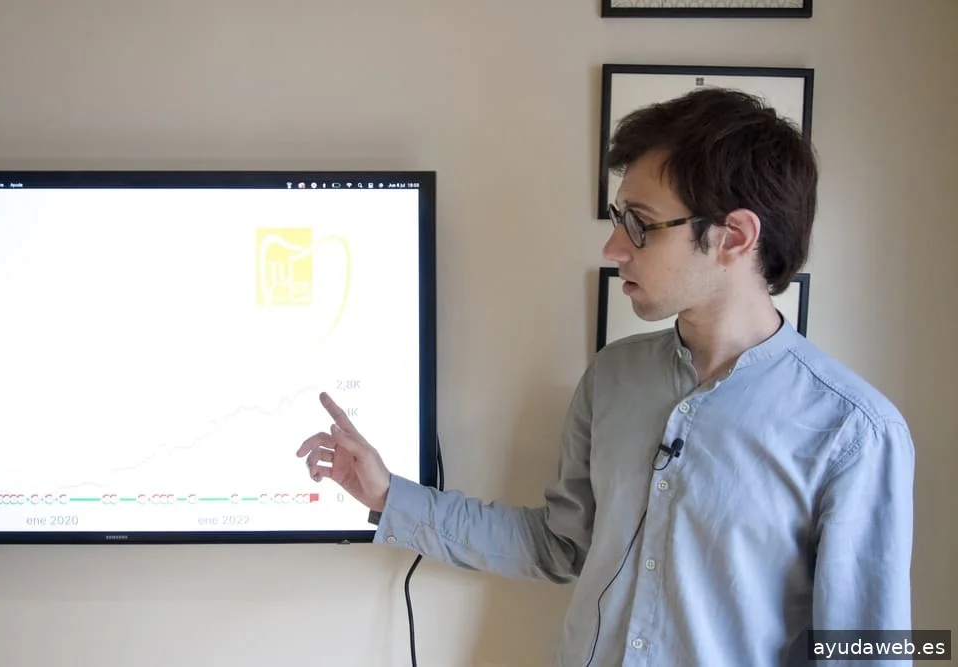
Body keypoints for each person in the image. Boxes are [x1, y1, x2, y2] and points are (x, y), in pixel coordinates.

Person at [296, 87, 915, 667]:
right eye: (620, 219)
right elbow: (559, 547)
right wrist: (388, 495)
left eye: (640, 224)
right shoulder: (614, 376)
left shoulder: (853, 431)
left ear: (734, 237)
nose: (613, 248)